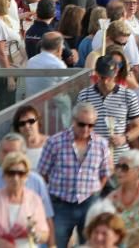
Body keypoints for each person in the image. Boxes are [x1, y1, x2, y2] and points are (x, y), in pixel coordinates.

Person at [36, 102, 112, 248]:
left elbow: (105, 174)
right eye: (82, 124)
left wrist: (96, 191)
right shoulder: (55, 142)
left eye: (91, 125)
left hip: (89, 202)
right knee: (55, 244)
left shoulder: (101, 144)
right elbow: (43, 172)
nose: (86, 128)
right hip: (60, 203)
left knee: (92, 245)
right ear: (73, 121)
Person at [0, 152, 50, 247]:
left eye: (21, 174)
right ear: (4, 176)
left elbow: (45, 234)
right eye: (11, 173)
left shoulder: (34, 199)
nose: (16, 178)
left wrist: (35, 234)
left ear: (26, 176)